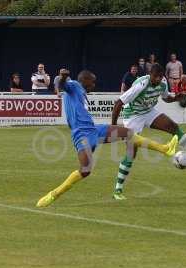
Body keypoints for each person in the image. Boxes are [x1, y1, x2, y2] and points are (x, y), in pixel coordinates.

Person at [36, 69, 178, 208]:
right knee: (85, 170)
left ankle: (165, 149)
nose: (94, 85)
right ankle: (54, 194)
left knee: (128, 133)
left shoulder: (81, 91)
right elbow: (61, 85)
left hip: (94, 129)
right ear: (84, 81)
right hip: (81, 134)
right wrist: (63, 76)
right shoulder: (74, 85)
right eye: (92, 82)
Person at [111, 64, 186, 200]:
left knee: (173, 127)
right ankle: (118, 190)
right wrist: (113, 126)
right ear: (150, 75)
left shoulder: (163, 83)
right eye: (155, 77)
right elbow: (119, 103)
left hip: (148, 112)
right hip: (133, 116)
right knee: (131, 153)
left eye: (160, 77)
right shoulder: (141, 84)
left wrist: (177, 97)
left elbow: (165, 98)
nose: (157, 80)